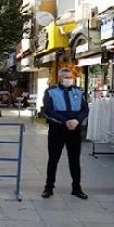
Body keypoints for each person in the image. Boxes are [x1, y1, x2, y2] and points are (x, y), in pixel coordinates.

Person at [42, 68, 90, 199]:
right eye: (66, 77)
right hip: (57, 130)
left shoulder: (79, 91)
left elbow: (85, 109)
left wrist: (77, 120)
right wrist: (65, 121)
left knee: (75, 160)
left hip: (75, 130)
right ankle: (49, 187)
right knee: (53, 159)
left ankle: (77, 188)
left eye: (70, 77)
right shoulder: (50, 92)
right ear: (60, 78)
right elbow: (48, 110)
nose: (69, 79)